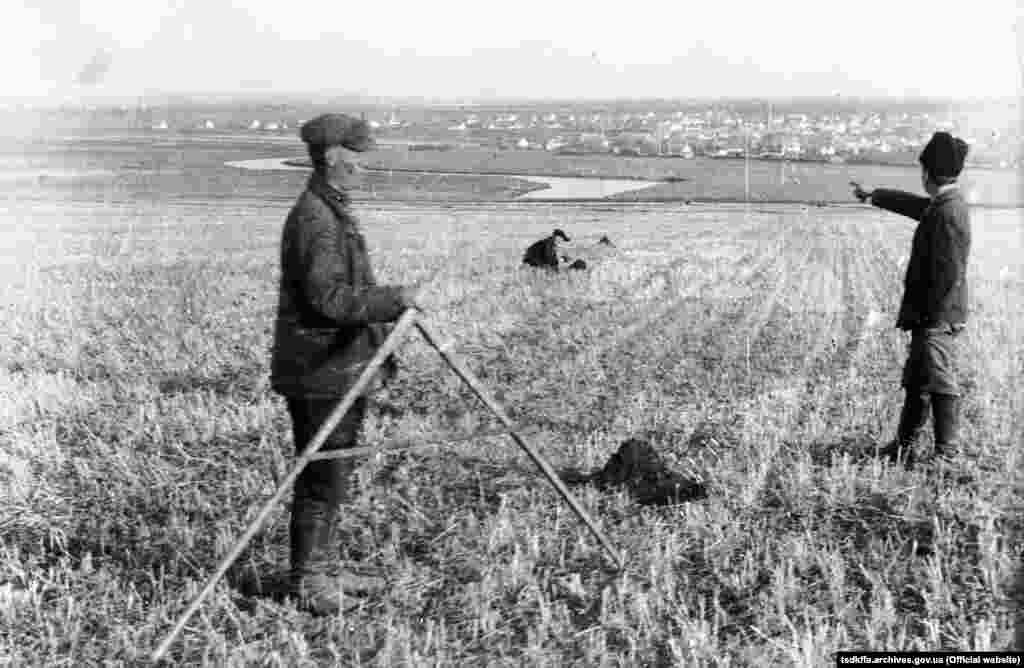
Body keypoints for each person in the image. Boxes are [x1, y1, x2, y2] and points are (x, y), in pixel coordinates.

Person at [269, 113, 419, 614]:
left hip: (336, 365)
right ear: (332, 156)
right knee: (321, 477)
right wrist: (391, 299)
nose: (363, 167)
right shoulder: (316, 218)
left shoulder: (330, 209)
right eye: (356, 158)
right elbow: (327, 299)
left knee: (333, 475)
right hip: (320, 368)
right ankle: (309, 582)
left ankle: (324, 569)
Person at [850, 131, 971, 472]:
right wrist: (874, 196)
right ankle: (903, 448)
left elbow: (950, 273)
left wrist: (933, 319)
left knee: (940, 379)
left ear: (929, 174)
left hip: (936, 315)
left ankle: (947, 453)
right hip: (930, 314)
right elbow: (913, 205)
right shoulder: (945, 205)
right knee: (917, 379)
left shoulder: (948, 213)